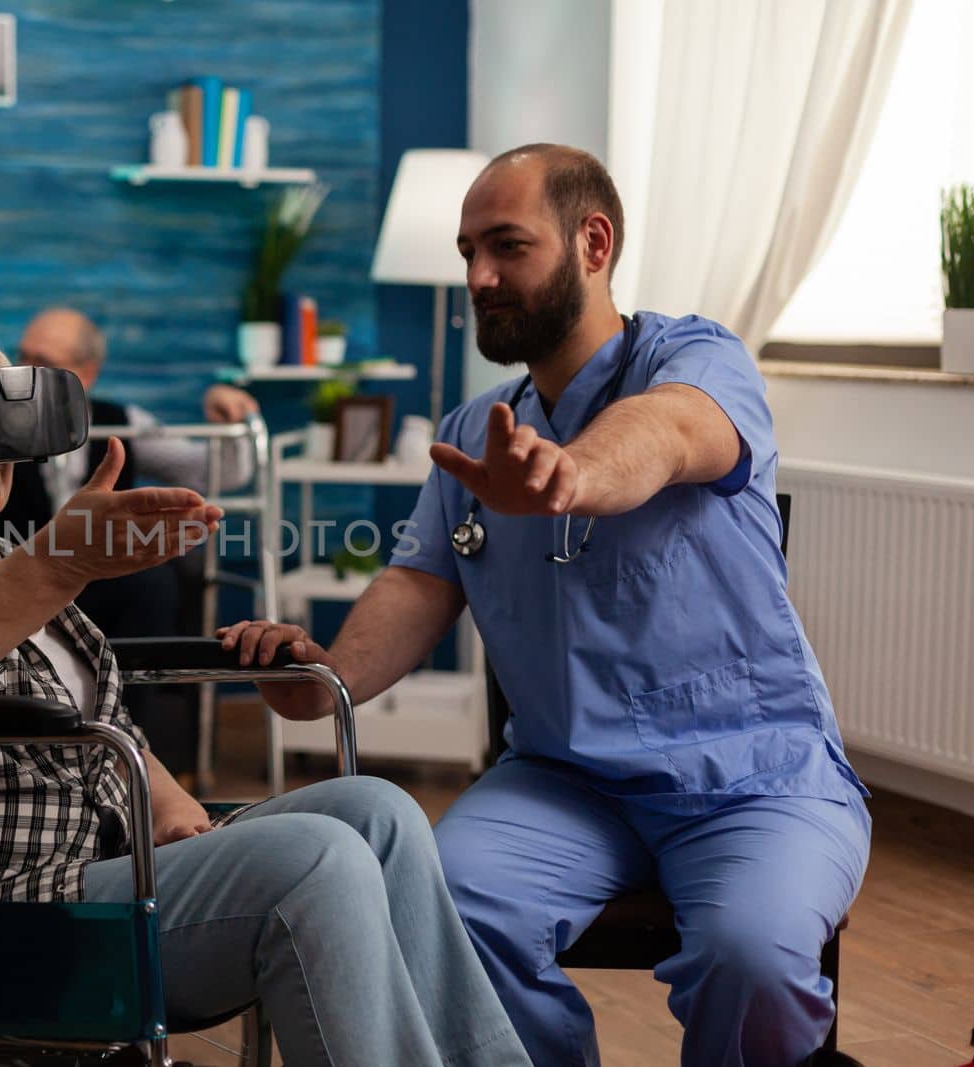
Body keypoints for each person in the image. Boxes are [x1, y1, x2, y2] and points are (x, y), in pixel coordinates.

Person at [220, 145, 870, 1067]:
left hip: (751, 779)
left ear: (592, 242)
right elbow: (417, 582)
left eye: (507, 247)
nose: (479, 277)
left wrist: (577, 473)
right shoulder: (474, 433)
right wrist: (325, 679)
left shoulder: (696, 358)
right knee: (441, 902)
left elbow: (670, 432)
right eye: (467, 252)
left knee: (751, 957)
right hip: (566, 784)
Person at [0, 323, 531, 1067]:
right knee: (314, 861)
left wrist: (176, 806)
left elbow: (93, 723)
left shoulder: (2, 559)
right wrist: (55, 566)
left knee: (380, 812)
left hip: (95, 868)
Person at [5, 307, 263, 774]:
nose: (23, 374)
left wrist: (230, 411)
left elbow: (217, 471)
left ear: (85, 373)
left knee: (154, 584)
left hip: (102, 579)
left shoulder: (120, 420)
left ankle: (128, 752)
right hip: (15, 569)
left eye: (40, 362)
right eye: (20, 358)